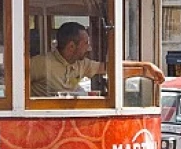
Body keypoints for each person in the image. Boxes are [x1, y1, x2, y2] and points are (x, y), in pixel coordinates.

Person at [29, 21, 165, 97]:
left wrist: (145, 67)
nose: (89, 48)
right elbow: (14, 86)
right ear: (71, 46)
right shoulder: (41, 63)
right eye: (85, 43)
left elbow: (111, 68)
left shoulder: (82, 64)